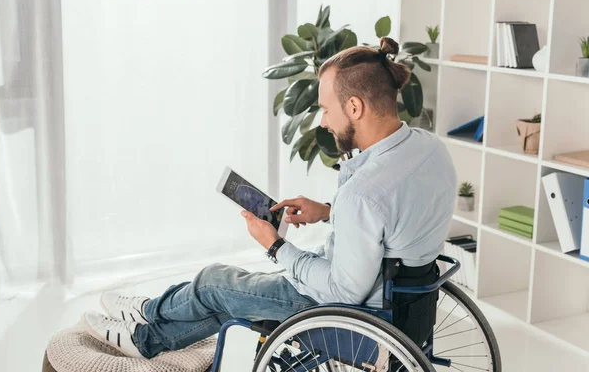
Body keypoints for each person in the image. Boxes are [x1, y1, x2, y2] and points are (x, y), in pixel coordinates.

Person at [82, 37, 457, 359]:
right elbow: (393, 213)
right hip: (407, 309)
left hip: (352, 318)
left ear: (355, 107)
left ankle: (145, 325)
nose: (323, 122)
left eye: (326, 109)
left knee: (216, 282)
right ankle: (149, 321)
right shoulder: (428, 148)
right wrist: (329, 212)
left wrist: (275, 246)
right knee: (229, 293)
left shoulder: (365, 192)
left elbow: (345, 290)